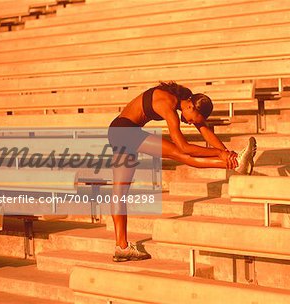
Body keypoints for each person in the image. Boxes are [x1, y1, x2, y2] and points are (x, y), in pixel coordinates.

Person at [107, 81, 256, 262]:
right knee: (181, 154)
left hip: (118, 131)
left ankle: (121, 247)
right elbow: (184, 147)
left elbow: (205, 131)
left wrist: (227, 153)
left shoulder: (185, 101)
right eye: (192, 119)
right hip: (125, 131)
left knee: (119, 193)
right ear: (191, 106)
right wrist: (221, 154)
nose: (190, 122)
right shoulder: (168, 104)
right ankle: (236, 164)